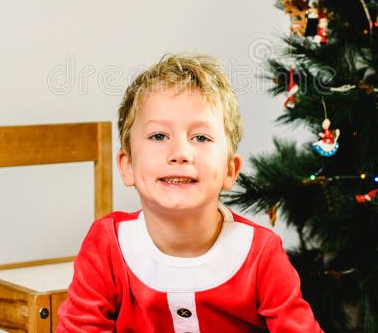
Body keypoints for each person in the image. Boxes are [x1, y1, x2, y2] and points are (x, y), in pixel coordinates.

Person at [56, 53, 322, 332]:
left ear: (230, 171)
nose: (180, 153)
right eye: (159, 136)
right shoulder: (107, 246)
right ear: (128, 166)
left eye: (201, 138)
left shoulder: (260, 253)